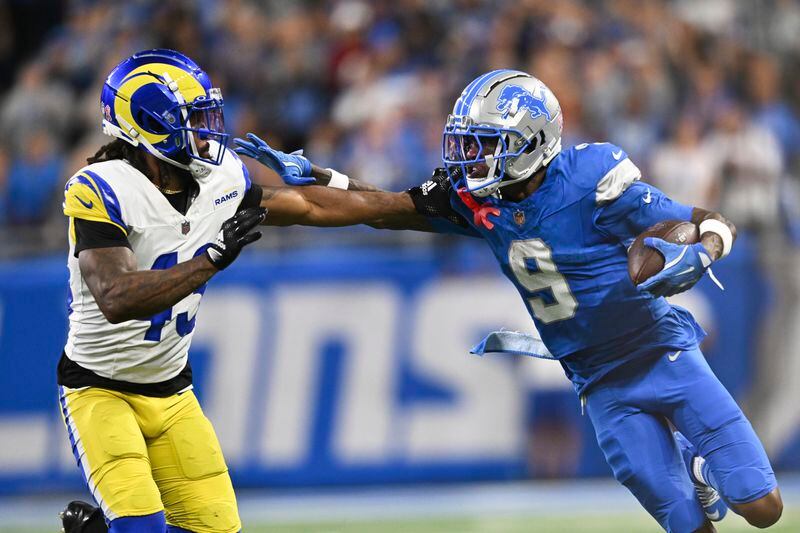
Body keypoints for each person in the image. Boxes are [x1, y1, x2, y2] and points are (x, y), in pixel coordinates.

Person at [234, 70, 783, 532]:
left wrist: (707, 248)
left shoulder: (592, 180)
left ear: (534, 141)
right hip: (600, 382)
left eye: (486, 146)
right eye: (467, 145)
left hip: (662, 353)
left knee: (762, 508)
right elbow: (383, 206)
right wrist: (256, 193)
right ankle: (690, 475)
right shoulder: (476, 201)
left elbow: (705, 219)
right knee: (689, 527)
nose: (470, 161)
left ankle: (700, 470)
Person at [58, 49, 265, 533]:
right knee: (141, 528)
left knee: (215, 528)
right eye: (192, 119)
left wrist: (417, 204)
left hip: (173, 391)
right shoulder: (100, 187)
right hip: (98, 387)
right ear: (150, 122)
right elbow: (116, 297)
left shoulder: (220, 178)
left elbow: (315, 207)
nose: (207, 129)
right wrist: (208, 260)